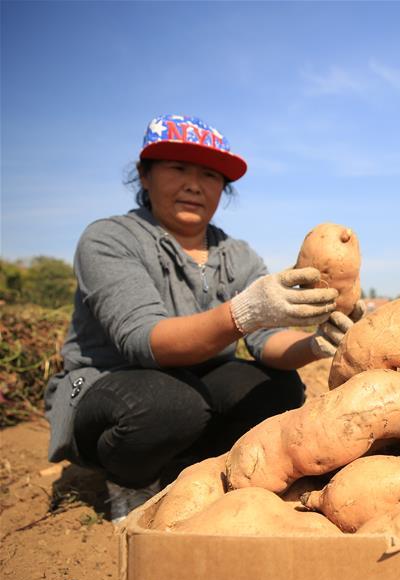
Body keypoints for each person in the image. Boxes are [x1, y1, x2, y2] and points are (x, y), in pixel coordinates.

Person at [43, 114, 363, 522]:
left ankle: (192, 468)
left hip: (194, 385)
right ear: (144, 175)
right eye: (178, 168)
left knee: (278, 389)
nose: (194, 185)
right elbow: (143, 340)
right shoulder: (109, 239)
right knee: (170, 404)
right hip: (112, 388)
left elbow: (265, 342)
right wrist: (243, 312)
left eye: (210, 175)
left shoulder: (237, 254)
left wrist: (316, 344)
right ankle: (130, 480)